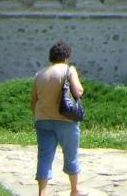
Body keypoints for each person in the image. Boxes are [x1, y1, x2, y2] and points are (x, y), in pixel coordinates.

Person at [31, 41, 84, 196]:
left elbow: (33, 100)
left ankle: (42, 193)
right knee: (71, 155)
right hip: (65, 120)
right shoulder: (69, 70)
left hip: (42, 120)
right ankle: (74, 190)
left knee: (44, 157)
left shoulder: (40, 74)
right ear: (67, 56)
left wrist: (37, 116)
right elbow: (78, 91)